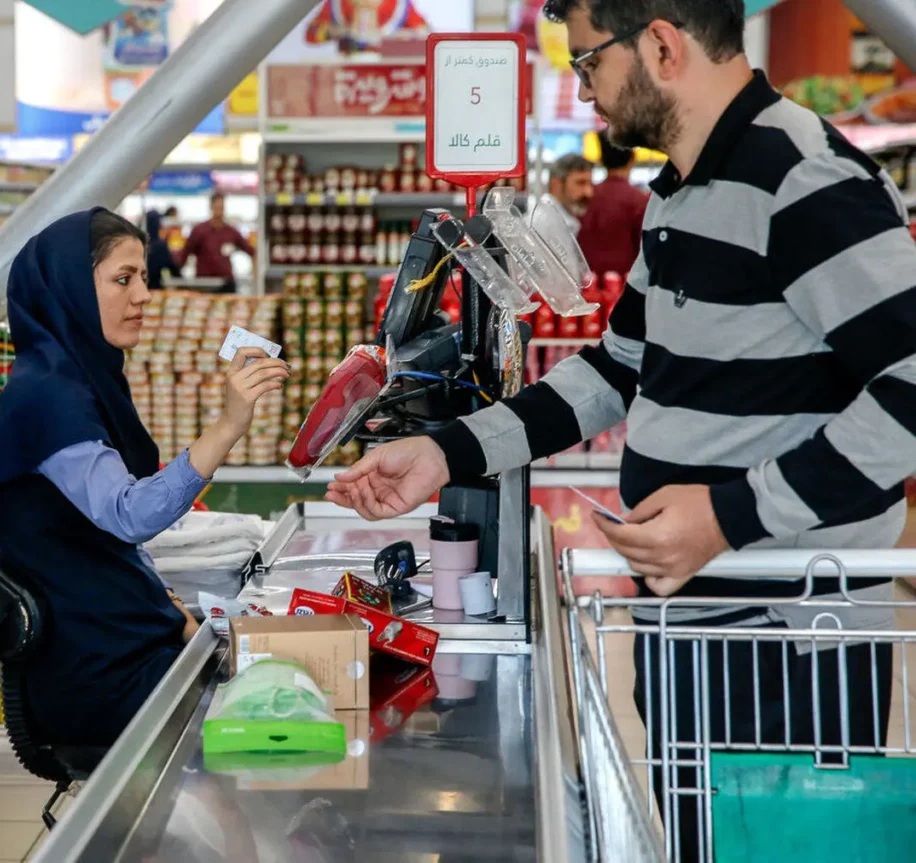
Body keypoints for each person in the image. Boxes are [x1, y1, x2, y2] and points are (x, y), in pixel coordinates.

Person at [326, 1, 916, 858]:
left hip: (793, 634)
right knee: (697, 837)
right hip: (695, 619)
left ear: (662, 46)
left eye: (588, 63)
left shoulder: (804, 180)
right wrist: (446, 451)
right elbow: (614, 371)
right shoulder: (679, 195)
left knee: (781, 843)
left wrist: (725, 518)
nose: (585, 90)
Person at [0, 209, 288, 747]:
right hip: (97, 672)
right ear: (70, 288)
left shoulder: (76, 379)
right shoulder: (47, 400)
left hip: (117, 640)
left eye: (143, 277)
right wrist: (230, 424)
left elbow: (99, 545)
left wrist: (172, 612)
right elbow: (128, 515)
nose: (143, 295)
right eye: (123, 279)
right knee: (277, 731)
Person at [577, 131, 648, 275]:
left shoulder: (585, 197)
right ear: (632, 159)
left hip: (586, 283)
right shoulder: (639, 200)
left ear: (601, 159)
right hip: (623, 285)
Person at [177, 193, 256, 292]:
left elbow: (252, 252)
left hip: (226, 284)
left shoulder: (231, 232)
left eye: (221, 207)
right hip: (204, 284)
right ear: (211, 207)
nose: (219, 211)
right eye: (217, 207)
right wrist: (178, 277)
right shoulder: (199, 231)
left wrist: (255, 277)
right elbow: (185, 254)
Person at [543, 152, 595, 236]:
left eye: (590, 184)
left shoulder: (565, 222)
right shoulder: (545, 225)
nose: (589, 193)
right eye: (580, 183)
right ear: (556, 184)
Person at [145, 209, 182, 289]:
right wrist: (182, 280)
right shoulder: (160, 245)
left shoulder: (139, 243)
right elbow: (171, 266)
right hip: (155, 287)